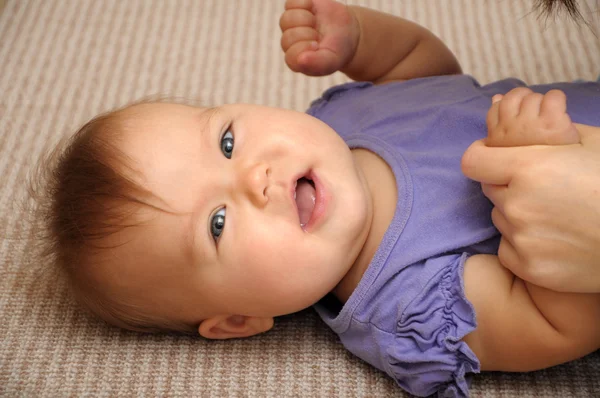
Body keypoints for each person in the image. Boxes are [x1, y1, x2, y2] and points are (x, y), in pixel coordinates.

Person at [34, 0, 600, 397]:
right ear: (237, 319)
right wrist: (548, 156)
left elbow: (431, 79)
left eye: (227, 142)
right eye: (217, 222)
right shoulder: (407, 304)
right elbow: (556, 325)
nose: (253, 178)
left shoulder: (336, 118)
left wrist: (359, 36)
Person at [461, 0, 600, 294]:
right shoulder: (398, 300)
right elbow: (560, 330)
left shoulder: (342, 110)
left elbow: (427, 78)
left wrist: (363, 42)